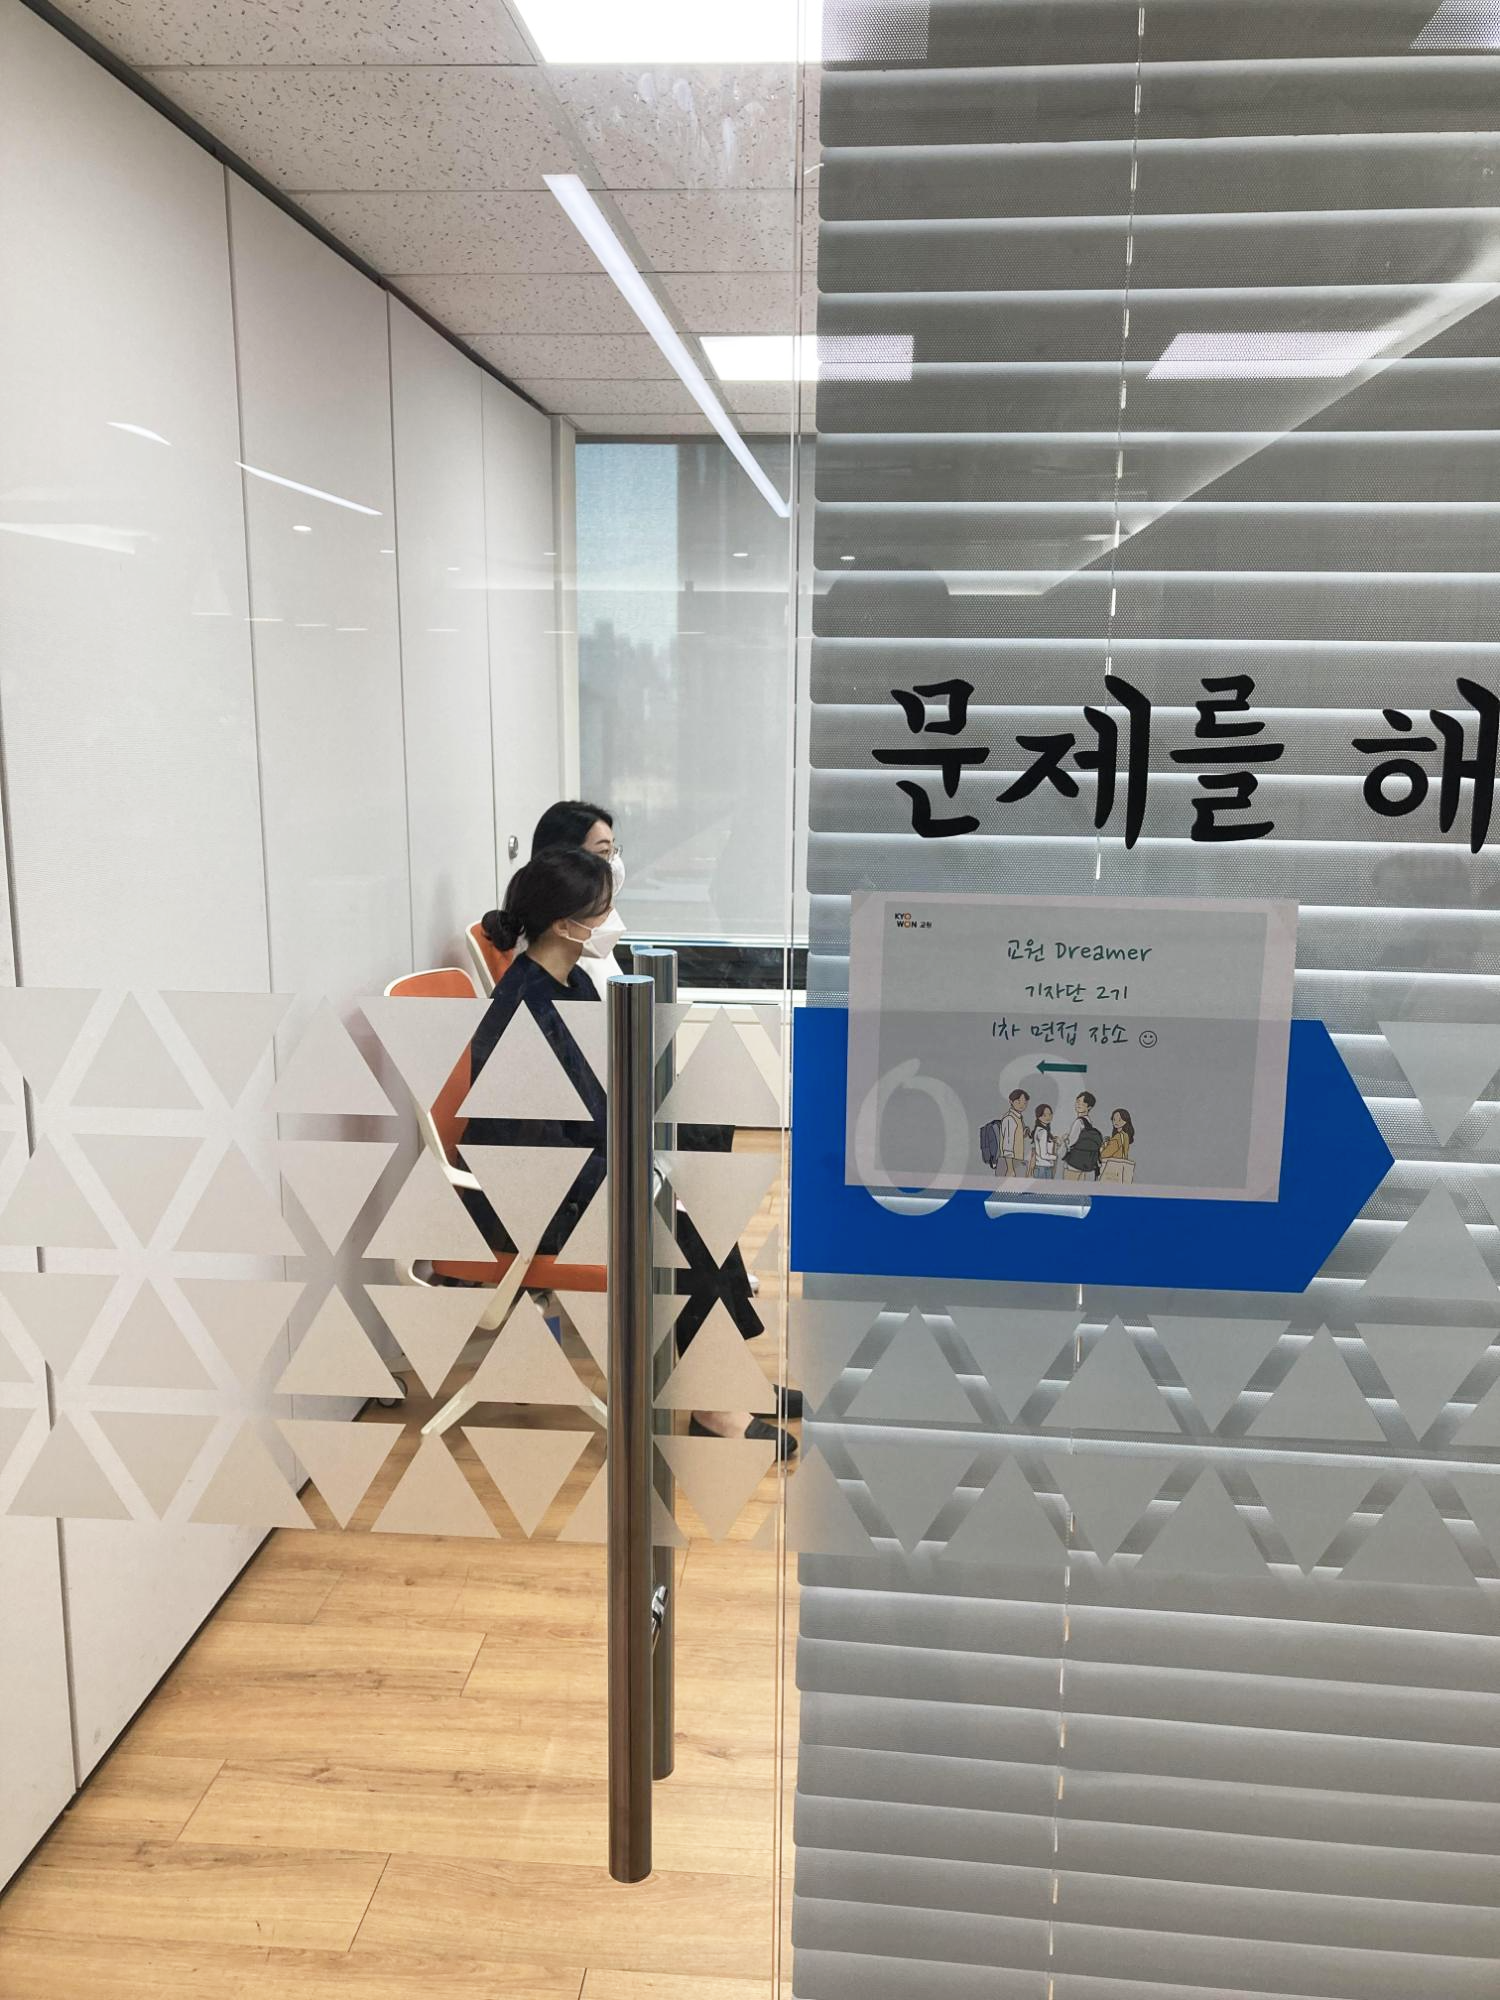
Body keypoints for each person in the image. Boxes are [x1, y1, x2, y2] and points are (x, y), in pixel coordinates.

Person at [465, 849, 794, 1457]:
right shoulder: (525, 1010)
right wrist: (636, 1178)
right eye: (603, 910)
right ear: (566, 925)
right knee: (678, 1234)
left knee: (697, 1191)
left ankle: (721, 1378)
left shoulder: (568, 983)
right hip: (535, 1195)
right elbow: (534, 1146)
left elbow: (597, 1096)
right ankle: (715, 1408)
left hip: (580, 1168)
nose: (612, 920)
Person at [1062, 1090, 1102, 1181]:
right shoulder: (1089, 1122)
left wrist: (1065, 1139)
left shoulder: (1078, 1122)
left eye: (1083, 1103)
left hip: (1073, 1164)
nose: (1079, 1104)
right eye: (1078, 1101)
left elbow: (1070, 1143)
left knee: (1068, 1187)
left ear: (1089, 1107)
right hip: (1086, 1164)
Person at [996, 1088, 1029, 1177]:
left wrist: (1023, 1133)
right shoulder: (1009, 1118)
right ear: (1011, 1101)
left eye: (1024, 1103)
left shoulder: (1018, 1118)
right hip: (1010, 1163)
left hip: (1016, 1161)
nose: (1022, 1105)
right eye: (1018, 1101)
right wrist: (1010, 1169)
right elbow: (1007, 1145)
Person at [1099, 1107, 1135, 1183]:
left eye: (1119, 1119)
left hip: (1113, 1169)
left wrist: (1103, 1146)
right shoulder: (1125, 1136)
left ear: (1125, 1121)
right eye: (1114, 1119)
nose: (1116, 1122)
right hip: (1122, 1167)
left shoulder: (1117, 1138)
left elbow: (1104, 1154)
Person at [1028, 1103, 1058, 1178]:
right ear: (1038, 1116)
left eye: (1050, 1114)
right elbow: (1043, 1155)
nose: (1048, 1117)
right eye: (1044, 1115)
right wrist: (1056, 1157)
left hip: (1041, 1167)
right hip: (1044, 1168)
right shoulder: (1043, 1131)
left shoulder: (1040, 1129)